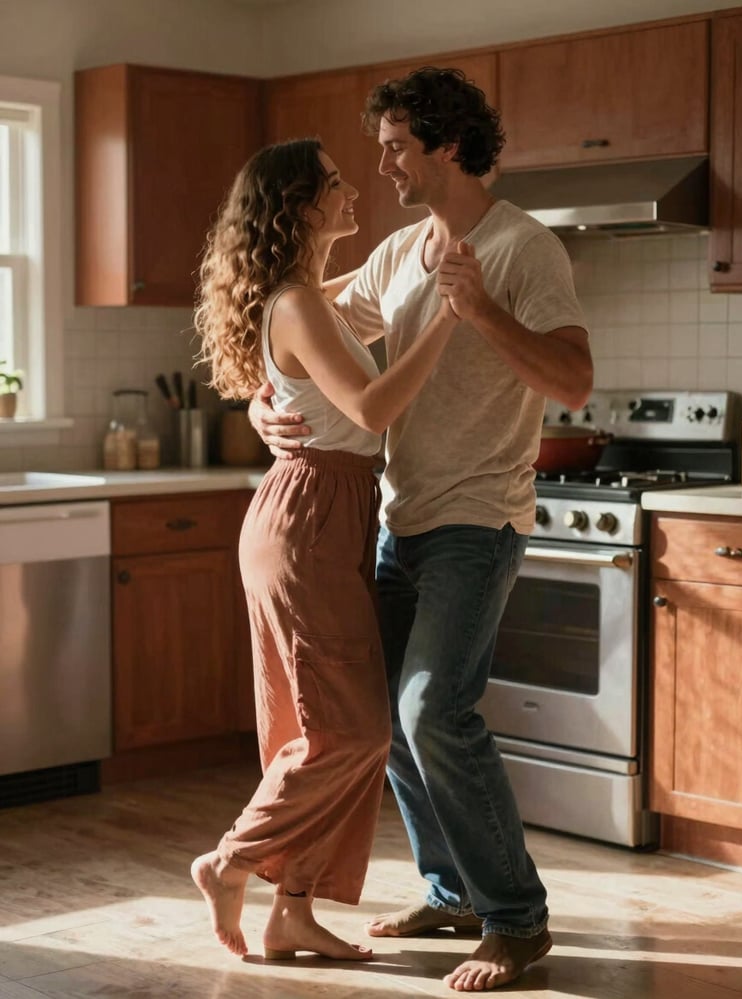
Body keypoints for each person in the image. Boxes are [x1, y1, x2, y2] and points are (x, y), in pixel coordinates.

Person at [250, 67, 593, 993]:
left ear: (446, 145)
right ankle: (452, 891)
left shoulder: (524, 249)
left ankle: (516, 920)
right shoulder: (400, 253)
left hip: (479, 519)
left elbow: (572, 381)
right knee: (386, 724)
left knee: (429, 708)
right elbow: (300, 334)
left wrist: (477, 310)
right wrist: (259, 405)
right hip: (397, 519)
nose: (384, 163)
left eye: (397, 145)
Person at [190, 137, 460, 963]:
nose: (355, 190)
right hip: (308, 517)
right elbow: (373, 407)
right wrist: (452, 314)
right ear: (303, 204)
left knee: (316, 724)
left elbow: (312, 344)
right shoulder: (300, 304)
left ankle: (293, 911)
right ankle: (231, 858)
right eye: (337, 183)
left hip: (327, 512)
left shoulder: (307, 292)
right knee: (351, 730)